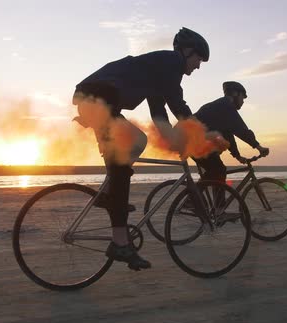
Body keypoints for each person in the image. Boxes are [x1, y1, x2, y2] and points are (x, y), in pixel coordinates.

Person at [72, 27, 210, 271]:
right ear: (187, 52)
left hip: (98, 100)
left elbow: (159, 114)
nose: (198, 66)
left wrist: (177, 141)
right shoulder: (171, 62)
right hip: (97, 99)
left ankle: (111, 192)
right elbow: (177, 102)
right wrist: (199, 132)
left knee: (129, 154)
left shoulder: (160, 69)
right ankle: (120, 244)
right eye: (199, 59)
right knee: (133, 148)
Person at [193, 81, 269, 186]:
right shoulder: (226, 106)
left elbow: (228, 134)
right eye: (242, 97)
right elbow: (240, 129)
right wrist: (259, 147)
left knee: (216, 173)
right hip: (192, 140)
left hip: (193, 140)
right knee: (219, 170)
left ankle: (215, 202)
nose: (243, 102)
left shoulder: (221, 106)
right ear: (235, 94)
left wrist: (237, 156)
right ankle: (192, 199)